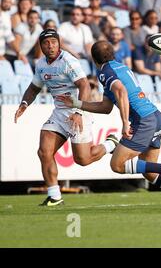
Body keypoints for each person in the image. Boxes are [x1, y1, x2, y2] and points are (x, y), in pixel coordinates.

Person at [58, 41, 161, 212]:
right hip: (155, 116)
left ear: (94, 59)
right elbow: (106, 107)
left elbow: (121, 92)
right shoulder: (121, 67)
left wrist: (125, 123)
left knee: (117, 165)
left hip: (143, 120)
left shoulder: (105, 72)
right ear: (113, 54)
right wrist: (77, 103)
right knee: (149, 171)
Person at [14, 29, 118, 206]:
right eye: (46, 43)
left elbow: (84, 86)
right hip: (60, 114)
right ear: (41, 46)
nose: (51, 45)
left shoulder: (68, 61)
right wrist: (24, 103)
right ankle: (54, 196)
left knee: (82, 160)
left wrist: (78, 112)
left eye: (54, 42)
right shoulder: (41, 64)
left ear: (59, 43)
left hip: (78, 111)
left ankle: (111, 144)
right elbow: (34, 88)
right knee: (44, 151)